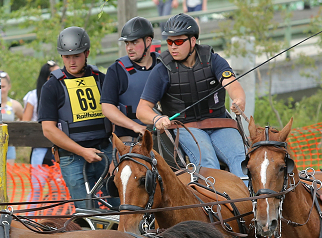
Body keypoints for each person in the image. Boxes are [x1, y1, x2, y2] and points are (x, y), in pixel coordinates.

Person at [136, 13, 247, 178]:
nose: (173, 46)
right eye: (169, 42)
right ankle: (219, 203)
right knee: (209, 162)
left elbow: (231, 83)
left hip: (219, 123)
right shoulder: (161, 70)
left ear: (193, 41)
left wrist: (238, 99)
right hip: (186, 128)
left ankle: (248, 203)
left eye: (178, 41)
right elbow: (142, 109)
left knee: (241, 158)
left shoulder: (213, 60)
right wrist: (157, 119)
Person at [38, 26, 114, 210]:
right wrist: (82, 151)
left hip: (105, 152)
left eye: (77, 56)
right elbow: (48, 129)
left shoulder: (101, 80)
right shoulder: (52, 86)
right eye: (66, 56)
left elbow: (114, 118)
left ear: (87, 53)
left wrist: (116, 157)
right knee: (86, 214)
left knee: (121, 208)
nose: (71, 61)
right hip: (72, 158)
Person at [100, 17, 158, 140]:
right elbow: (107, 107)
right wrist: (135, 126)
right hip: (129, 138)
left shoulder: (164, 65)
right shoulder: (116, 70)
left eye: (134, 42)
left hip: (163, 135)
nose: (129, 48)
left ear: (148, 41)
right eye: (127, 43)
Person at [23, 60, 61, 209]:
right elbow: (25, 124)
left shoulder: (63, 92)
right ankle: (28, 218)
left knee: (59, 188)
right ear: (46, 77)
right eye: (54, 73)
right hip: (40, 147)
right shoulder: (33, 96)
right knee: (37, 187)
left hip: (60, 145)